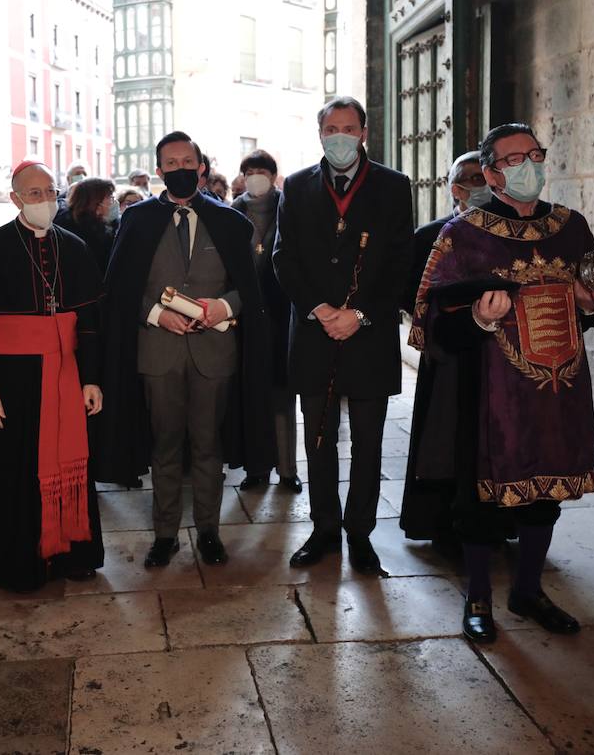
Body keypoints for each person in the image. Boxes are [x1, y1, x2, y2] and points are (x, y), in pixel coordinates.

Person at [409, 123, 594, 643]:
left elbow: (585, 300)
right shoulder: (464, 235)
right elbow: (431, 317)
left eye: (536, 154)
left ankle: (528, 589)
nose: (530, 165)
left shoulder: (571, 226)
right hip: (488, 388)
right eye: (516, 158)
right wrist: (476, 315)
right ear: (493, 172)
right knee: (481, 498)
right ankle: (478, 595)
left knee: (547, 491)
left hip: (558, 386)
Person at [99, 131, 274, 568]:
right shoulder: (136, 220)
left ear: (201, 166)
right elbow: (120, 288)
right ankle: (164, 534)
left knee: (208, 446)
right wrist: (157, 315)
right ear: (159, 170)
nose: (179, 169)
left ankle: (210, 532)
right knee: (166, 445)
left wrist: (223, 307)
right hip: (157, 352)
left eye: (186, 161)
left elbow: (250, 291)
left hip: (215, 352)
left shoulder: (231, 222)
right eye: (169, 163)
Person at [273, 96, 414, 576]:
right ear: (320, 134)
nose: (340, 136)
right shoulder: (294, 186)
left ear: (364, 133)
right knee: (318, 440)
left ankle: (361, 532)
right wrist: (319, 309)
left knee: (370, 442)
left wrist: (361, 314)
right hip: (314, 334)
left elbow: (400, 262)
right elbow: (283, 258)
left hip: (368, 335)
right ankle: (324, 529)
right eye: (331, 128)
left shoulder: (394, 186)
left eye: (348, 128)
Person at [0, 161, 106, 591]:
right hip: (10, 379)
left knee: (71, 461)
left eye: (50, 191)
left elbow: (91, 321)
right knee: (13, 471)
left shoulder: (75, 247)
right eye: (34, 193)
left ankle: (71, 554)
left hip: (65, 371)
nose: (45, 201)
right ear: (15, 199)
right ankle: (15, 563)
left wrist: (92, 378)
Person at [399, 152, 493, 554]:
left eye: (483, 175)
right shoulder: (429, 236)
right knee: (445, 438)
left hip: (499, 356)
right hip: (449, 357)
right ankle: (442, 523)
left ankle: (496, 522)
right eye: (469, 178)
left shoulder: (509, 232)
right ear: (454, 188)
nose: (479, 184)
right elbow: (410, 294)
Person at [232, 149, 300, 493]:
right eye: (249, 171)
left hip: (282, 312)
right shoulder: (232, 212)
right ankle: (256, 467)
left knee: (283, 394)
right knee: (251, 395)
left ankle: (288, 469)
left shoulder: (289, 207)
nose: (255, 176)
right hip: (244, 316)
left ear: (274, 175)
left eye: (261, 170)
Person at [58, 176, 117, 273]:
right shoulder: (71, 227)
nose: (113, 201)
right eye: (109, 197)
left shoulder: (108, 224)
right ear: (95, 201)